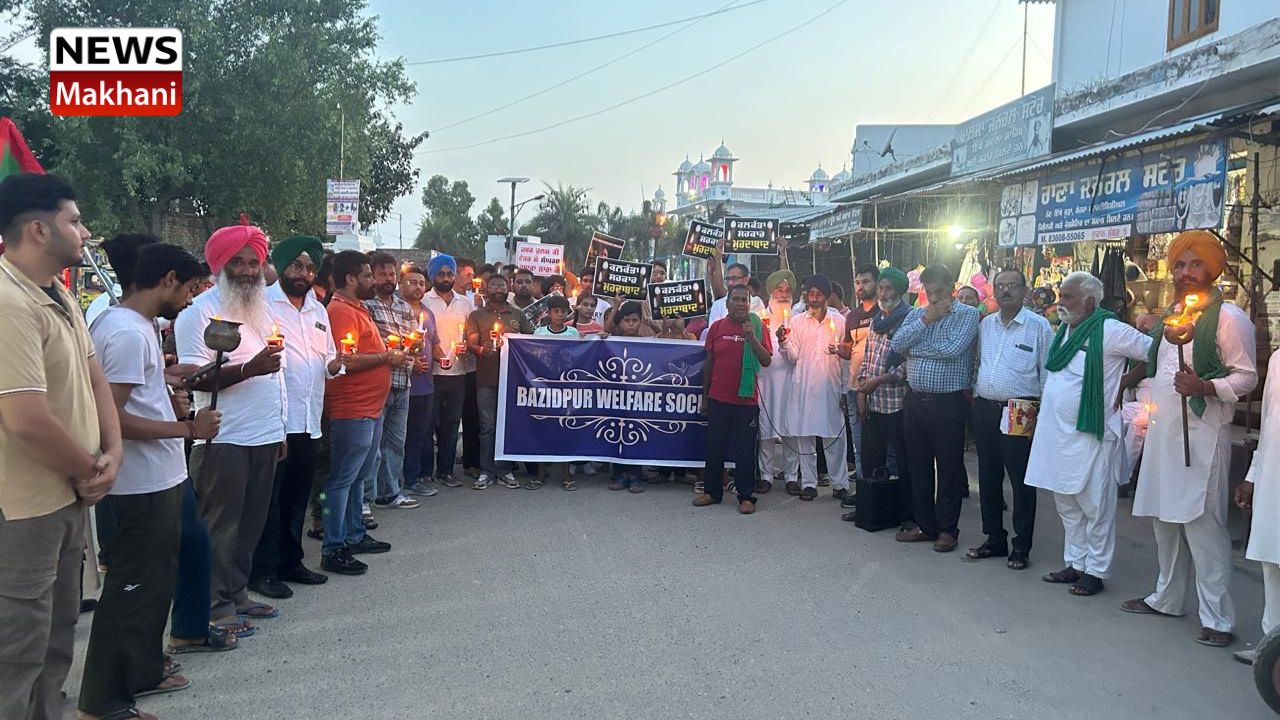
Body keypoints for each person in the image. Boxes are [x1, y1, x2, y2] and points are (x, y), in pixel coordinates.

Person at [0, 173, 122, 720]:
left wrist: (112, 453)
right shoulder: (8, 301)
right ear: (38, 230)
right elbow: (25, 419)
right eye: (74, 220)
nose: (85, 231)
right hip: (26, 507)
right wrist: (90, 469)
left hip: (70, 495)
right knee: (17, 651)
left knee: (56, 638)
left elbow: (95, 379)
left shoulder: (60, 295)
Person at [79, 243, 213, 719]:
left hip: (158, 477)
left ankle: (140, 672)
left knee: (153, 588)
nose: (191, 300)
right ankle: (103, 703)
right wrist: (187, 428)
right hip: (139, 485)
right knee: (131, 591)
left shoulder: (136, 328)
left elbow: (134, 399)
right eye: (189, 289)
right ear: (168, 279)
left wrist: (167, 391)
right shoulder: (126, 333)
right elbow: (109, 419)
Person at [1124, 231, 1257, 647]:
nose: (1185, 272)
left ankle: (1218, 619)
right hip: (1164, 433)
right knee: (1164, 520)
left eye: (1195, 264)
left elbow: (1247, 378)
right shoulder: (1171, 316)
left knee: (1203, 527)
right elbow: (1157, 367)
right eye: (1180, 265)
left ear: (1212, 269)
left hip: (1203, 436)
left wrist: (1205, 386)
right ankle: (1166, 598)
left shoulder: (1230, 318)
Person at [175, 219, 287, 636]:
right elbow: (193, 378)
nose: (247, 270)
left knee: (250, 525)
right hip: (224, 436)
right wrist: (247, 369)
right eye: (237, 262)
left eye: (253, 262)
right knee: (219, 527)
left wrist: (279, 430)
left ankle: (237, 593)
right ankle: (214, 606)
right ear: (219, 265)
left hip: (264, 434)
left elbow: (278, 375)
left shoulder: (262, 310)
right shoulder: (199, 314)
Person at [1025, 272, 1151, 597]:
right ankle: (1075, 563)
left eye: (1068, 297)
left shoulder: (1110, 329)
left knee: (1096, 507)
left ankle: (1095, 571)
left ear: (1090, 302)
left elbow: (1155, 352)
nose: (1061, 302)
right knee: (1067, 504)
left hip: (1093, 434)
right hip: (1057, 435)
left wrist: (1125, 382)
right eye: (1061, 296)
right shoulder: (1065, 330)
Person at [249, 236, 337, 600]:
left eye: (310, 268)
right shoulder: (262, 305)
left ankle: (291, 561)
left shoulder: (318, 309)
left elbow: (328, 357)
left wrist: (336, 365)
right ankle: (262, 570)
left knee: (298, 495)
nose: (303, 273)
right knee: (270, 498)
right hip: (276, 419)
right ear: (282, 266)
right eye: (297, 266)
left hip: (309, 418)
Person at [965, 269, 1053, 570]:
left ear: (1024, 291)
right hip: (985, 406)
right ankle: (994, 538)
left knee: (1020, 479)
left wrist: (1043, 414)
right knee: (988, 474)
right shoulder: (986, 325)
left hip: (1021, 408)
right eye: (1000, 286)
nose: (1005, 291)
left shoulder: (1038, 326)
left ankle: (1021, 546)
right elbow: (979, 361)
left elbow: (1047, 371)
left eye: (1012, 286)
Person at [890, 264, 979, 552]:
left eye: (939, 292)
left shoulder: (968, 315)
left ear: (951, 289)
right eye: (929, 293)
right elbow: (897, 344)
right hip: (916, 400)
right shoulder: (918, 314)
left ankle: (947, 529)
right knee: (918, 466)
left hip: (948, 403)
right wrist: (926, 319)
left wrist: (915, 349)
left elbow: (952, 350)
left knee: (949, 468)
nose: (935, 298)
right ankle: (925, 525)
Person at [320, 251, 397, 575]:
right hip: (352, 409)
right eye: (367, 276)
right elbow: (346, 361)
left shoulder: (357, 307)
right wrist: (387, 357)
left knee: (357, 478)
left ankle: (354, 534)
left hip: (369, 408)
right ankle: (333, 547)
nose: (373, 281)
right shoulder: (340, 311)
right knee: (341, 480)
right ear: (350, 279)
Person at [695, 285, 772, 514]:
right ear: (727, 303)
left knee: (745, 451)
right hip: (718, 398)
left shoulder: (758, 327)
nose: (740, 303)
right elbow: (709, 363)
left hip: (746, 402)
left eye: (744, 300)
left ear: (749, 304)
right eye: (735, 299)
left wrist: (752, 338)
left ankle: (746, 496)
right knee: (714, 448)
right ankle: (712, 492)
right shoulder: (717, 327)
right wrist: (705, 397)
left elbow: (766, 360)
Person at [848, 267, 913, 528]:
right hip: (874, 401)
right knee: (870, 459)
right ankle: (869, 508)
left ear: (900, 291)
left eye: (888, 288)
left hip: (898, 403)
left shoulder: (909, 319)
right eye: (881, 288)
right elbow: (868, 358)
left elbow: (907, 364)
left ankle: (907, 515)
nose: (883, 293)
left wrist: (879, 381)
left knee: (904, 462)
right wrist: (862, 392)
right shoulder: (877, 320)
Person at [777, 275, 849, 502]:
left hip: (830, 388)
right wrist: (783, 342)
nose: (815, 299)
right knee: (804, 437)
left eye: (819, 294)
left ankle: (840, 484)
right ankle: (809, 484)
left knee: (834, 438)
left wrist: (845, 390)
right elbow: (793, 357)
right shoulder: (797, 321)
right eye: (811, 294)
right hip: (804, 388)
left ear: (828, 297)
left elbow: (845, 359)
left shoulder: (839, 321)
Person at [1234, 347, 1280, 665]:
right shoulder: (1277, 359)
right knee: (1271, 561)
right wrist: (1252, 476)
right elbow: (1268, 422)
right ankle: (1271, 650)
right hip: (1273, 476)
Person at [467, 274, 534, 490]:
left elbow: (532, 340)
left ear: (508, 289)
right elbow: (471, 343)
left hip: (513, 379)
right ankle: (486, 470)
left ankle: (505, 469)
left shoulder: (518, 314)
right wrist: (481, 349)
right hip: (486, 378)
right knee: (487, 426)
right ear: (486, 289)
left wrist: (518, 341)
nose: (498, 289)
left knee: (507, 425)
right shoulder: (476, 315)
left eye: (502, 285)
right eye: (494, 285)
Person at [364, 252, 419, 511]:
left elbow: (414, 340)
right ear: (373, 276)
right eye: (382, 274)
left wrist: (415, 345)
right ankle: (365, 498)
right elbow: (370, 341)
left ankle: (390, 492)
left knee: (396, 443)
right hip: (378, 382)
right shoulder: (367, 306)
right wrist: (394, 349)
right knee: (372, 445)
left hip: (403, 381)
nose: (388, 279)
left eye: (392, 274)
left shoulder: (404, 307)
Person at [423, 255, 473, 489]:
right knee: (428, 424)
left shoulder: (465, 303)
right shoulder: (425, 300)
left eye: (449, 274)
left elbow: (470, 333)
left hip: (458, 372)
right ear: (433, 276)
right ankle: (425, 472)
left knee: (452, 424)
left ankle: (446, 471)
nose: (445, 278)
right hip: (431, 372)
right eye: (441, 274)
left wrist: (466, 345)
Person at [399, 265, 444, 497]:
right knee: (396, 436)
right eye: (412, 282)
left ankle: (412, 478)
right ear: (401, 285)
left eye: (421, 283)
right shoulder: (396, 311)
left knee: (419, 434)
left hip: (425, 385)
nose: (417, 287)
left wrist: (445, 358)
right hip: (400, 384)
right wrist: (410, 362)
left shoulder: (428, 314)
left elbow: (434, 345)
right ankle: (391, 482)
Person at [533, 295, 578, 490]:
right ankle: (540, 473)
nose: (559, 315)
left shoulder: (573, 333)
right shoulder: (539, 332)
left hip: (565, 388)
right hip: (543, 387)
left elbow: (577, 357)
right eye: (556, 311)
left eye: (563, 311)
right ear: (549, 313)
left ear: (568, 313)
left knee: (564, 429)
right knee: (543, 428)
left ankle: (566, 473)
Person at [757, 270, 795, 493]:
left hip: (791, 383)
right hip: (766, 383)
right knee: (766, 430)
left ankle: (792, 476)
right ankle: (766, 475)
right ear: (771, 292)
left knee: (791, 431)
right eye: (779, 289)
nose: (783, 294)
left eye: (787, 290)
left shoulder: (797, 317)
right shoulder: (760, 317)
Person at [606, 302, 648, 492]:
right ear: (620, 322)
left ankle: (636, 475)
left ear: (640, 322)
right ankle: (619, 474)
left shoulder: (648, 342)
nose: (630, 324)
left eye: (634, 320)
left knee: (636, 434)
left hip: (637, 398)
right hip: (616, 398)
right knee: (617, 434)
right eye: (627, 320)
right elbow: (606, 329)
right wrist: (615, 307)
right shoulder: (612, 340)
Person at [845, 265, 879, 480]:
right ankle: (862, 490)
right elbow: (849, 348)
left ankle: (883, 490)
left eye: (866, 282)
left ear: (877, 283)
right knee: (859, 444)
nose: (860, 287)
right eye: (858, 282)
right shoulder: (852, 315)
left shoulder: (884, 312)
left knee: (883, 445)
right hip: (854, 386)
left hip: (879, 388)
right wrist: (840, 349)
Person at [455, 257, 482, 479]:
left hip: (471, 367)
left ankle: (472, 462)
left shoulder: (470, 301)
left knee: (472, 415)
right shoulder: (430, 300)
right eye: (468, 275)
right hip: (447, 368)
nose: (472, 280)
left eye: (473, 275)